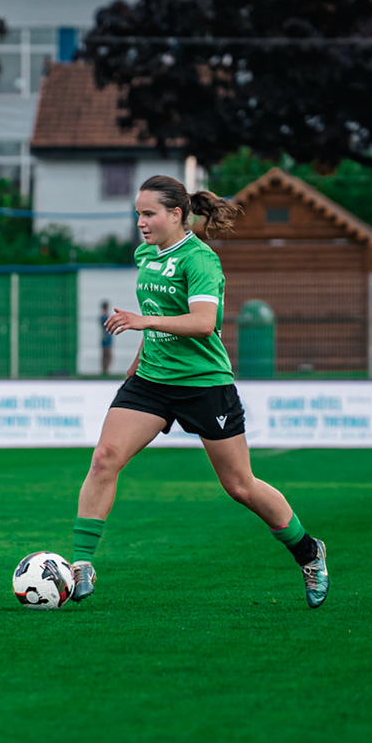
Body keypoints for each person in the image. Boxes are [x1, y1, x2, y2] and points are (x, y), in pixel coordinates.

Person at [66, 175, 330, 609]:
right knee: (104, 458)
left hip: (204, 384)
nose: (141, 223)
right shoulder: (145, 254)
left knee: (240, 486)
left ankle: (309, 552)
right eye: (137, 214)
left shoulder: (200, 260)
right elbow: (155, 313)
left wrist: (142, 322)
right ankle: (80, 565)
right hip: (151, 380)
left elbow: (203, 322)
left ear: (176, 214)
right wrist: (136, 365)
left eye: (149, 214)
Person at [98, 299, 115, 376]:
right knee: (106, 355)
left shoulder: (103, 317)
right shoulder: (105, 317)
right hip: (106, 338)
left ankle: (105, 370)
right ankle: (105, 370)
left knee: (106, 355)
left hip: (106, 338)